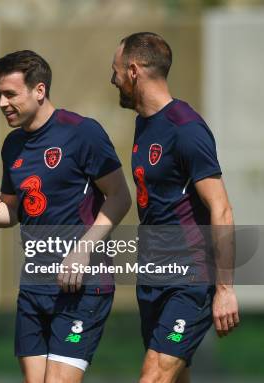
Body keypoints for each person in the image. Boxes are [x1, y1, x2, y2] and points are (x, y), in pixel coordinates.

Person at [0, 50, 131, 383]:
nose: (1, 102)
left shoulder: (82, 132)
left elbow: (119, 197)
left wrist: (83, 249)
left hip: (82, 284)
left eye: (10, 94)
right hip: (34, 283)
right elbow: (12, 211)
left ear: (39, 91)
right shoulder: (12, 145)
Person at [110, 32, 239, 383]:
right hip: (154, 277)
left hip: (190, 278)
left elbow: (221, 209)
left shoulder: (186, 128)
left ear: (133, 71)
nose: (113, 80)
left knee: (153, 376)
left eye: (116, 71)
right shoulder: (144, 124)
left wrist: (225, 290)